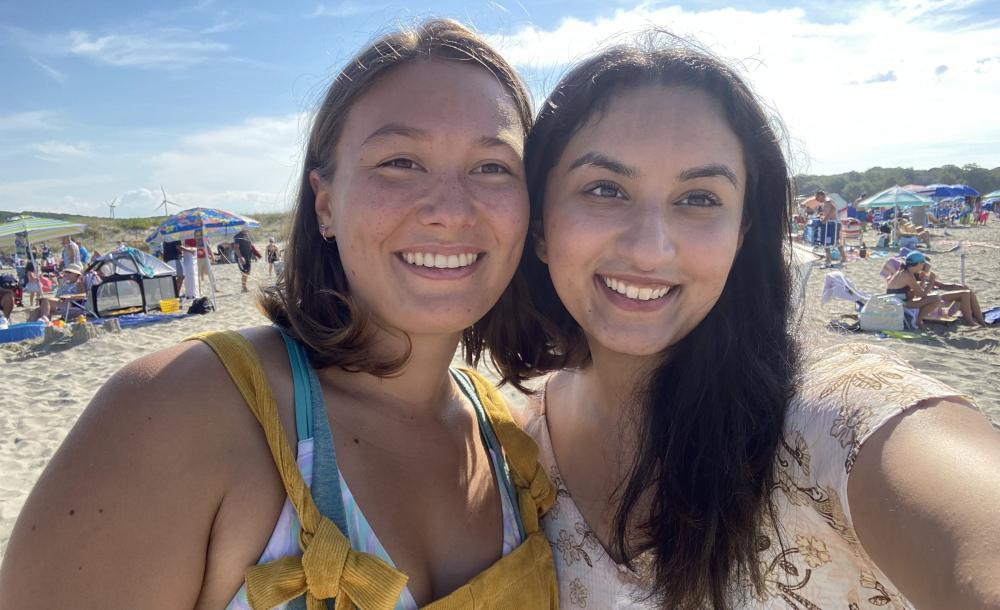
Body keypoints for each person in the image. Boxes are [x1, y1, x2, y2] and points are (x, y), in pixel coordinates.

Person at [0, 19, 558, 609]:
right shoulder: (181, 412)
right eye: (399, 161)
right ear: (325, 204)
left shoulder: (513, 441)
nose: (450, 210)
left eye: (493, 167)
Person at [490, 40, 1000, 609]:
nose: (650, 249)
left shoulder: (837, 423)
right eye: (605, 189)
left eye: (700, 198)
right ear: (539, 226)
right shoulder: (512, 447)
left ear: (743, 232)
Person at [887, 251, 986, 326]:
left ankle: (980, 321)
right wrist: (930, 281)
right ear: (919, 264)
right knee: (936, 299)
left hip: (904, 300)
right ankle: (918, 321)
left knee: (967, 293)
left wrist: (925, 280)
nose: (924, 267)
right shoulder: (908, 275)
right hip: (902, 303)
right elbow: (921, 294)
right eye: (923, 264)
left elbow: (919, 292)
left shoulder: (907, 272)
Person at [233, 228, 254, 292]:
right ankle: (244, 288)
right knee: (244, 272)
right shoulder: (238, 236)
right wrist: (240, 257)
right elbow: (236, 248)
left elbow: (250, 245)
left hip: (248, 256)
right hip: (241, 257)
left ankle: (244, 286)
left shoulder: (247, 235)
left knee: (247, 272)